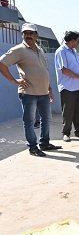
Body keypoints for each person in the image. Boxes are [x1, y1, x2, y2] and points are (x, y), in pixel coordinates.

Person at [0, 23, 61, 156]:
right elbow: (2, 63)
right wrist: (14, 80)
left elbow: (44, 70)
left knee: (46, 119)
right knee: (30, 121)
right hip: (29, 94)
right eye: (25, 33)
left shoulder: (40, 49)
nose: (28, 35)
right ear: (22, 35)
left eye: (31, 33)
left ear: (36, 35)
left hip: (43, 92)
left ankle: (44, 143)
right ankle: (33, 147)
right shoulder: (19, 50)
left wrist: (49, 88)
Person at [55, 31, 79, 142]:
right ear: (72, 41)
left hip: (77, 87)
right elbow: (64, 70)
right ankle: (66, 133)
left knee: (78, 111)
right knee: (68, 111)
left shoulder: (73, 51)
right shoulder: (61, 51)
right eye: (78, 41)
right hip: (67, 87)